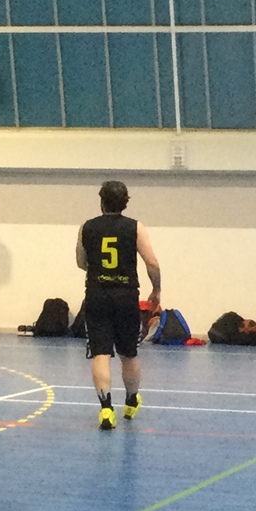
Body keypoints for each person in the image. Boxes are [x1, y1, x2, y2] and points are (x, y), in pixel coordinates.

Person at [76, 180, 162, 429]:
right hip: (126, 296)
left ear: (101, 201)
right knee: (128, 353)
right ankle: (131, 401)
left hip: (97, 295)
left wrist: (99, 269)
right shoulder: (135, 227)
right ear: (125, 202)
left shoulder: (87, 227)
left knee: (101, 353)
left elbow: (81, 262)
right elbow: (152, 263)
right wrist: (156, 289)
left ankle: (106, 409)